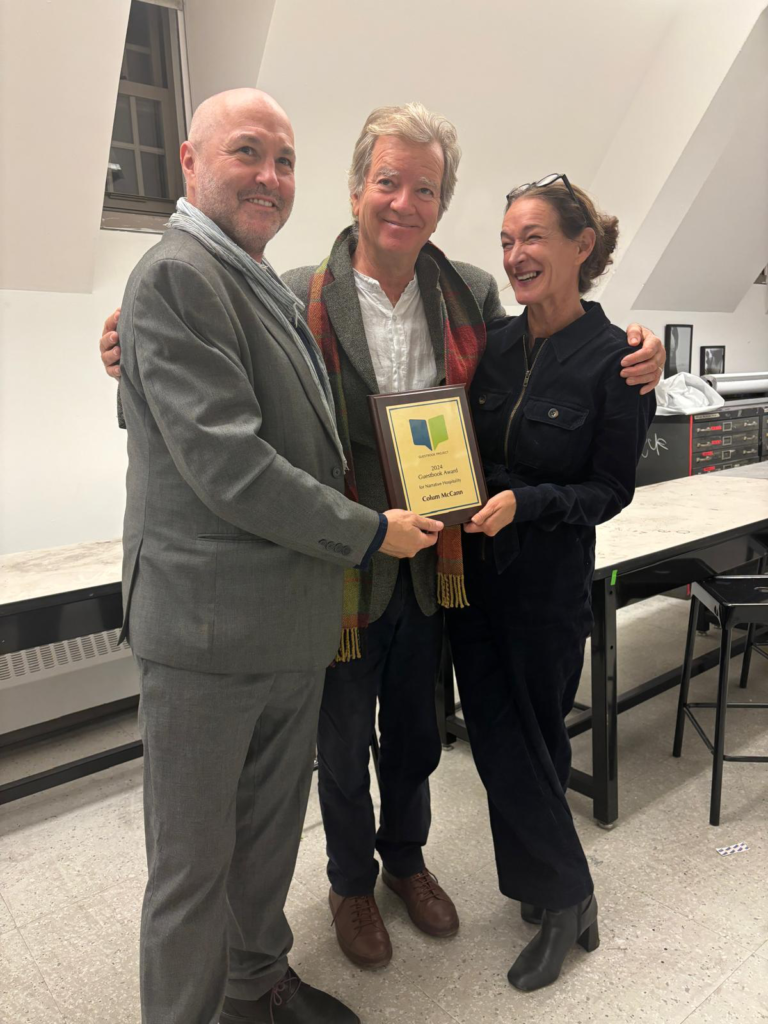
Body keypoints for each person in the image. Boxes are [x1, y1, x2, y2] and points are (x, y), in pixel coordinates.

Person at [98, 104, 666, 972]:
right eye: (389, 181)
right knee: (337, 738)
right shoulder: (287, 291)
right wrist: (121, 342)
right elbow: (210, 389)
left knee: (413, 734)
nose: (405, 202)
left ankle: (407, 861)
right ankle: (350, 883)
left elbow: (558, 348)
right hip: (336, 565)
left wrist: (642, 353)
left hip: (440, 567)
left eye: (426, 188)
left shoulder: (472, 292)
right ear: (359, 186)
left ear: (442, 204)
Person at [116, 87, 444, 1024]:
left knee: (263, 843)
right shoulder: (179, 274)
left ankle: (253, 986)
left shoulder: (259, 276)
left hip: (288, 623)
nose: (269, 176)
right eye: (248, 152)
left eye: (284, 160)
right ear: (190, 162)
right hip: (208, 632)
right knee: (191, 868)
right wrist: (370, 529)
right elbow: (230, 463)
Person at [447, 174, 656, 992]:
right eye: (506, 240)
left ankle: (564, 895)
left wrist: (527, 502)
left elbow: (611, 491)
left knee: (526, 737)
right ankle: (555, 883)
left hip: (546, 582)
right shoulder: (492, 345)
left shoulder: (620, 362)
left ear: (582, 247)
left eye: (533, 237)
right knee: (502, 739)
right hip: (473, 573)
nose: (515, 255)